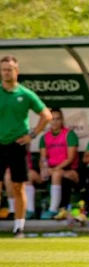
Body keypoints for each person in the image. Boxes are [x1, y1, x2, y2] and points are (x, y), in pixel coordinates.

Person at [0, 54, 50, 237]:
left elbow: (46, 115)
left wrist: (32, 135)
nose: (6, 73)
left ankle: (19, 227)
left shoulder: (25, 94)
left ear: (17, 71)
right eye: (3, 70)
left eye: (9, 69)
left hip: (17, 144)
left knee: (18, 185)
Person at [37, 107, 80, 220]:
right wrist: (44, 169)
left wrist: (55, 169)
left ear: (62, 120)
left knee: (57, 174)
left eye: (58, 119)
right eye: (53, 119)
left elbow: (70, 158)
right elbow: (43, 158)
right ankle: (29, 211)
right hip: (51, 170)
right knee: (29, 176)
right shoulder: (44, 138)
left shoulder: (69, 134)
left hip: (70, 171)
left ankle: (53, 209)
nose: (55, 122)